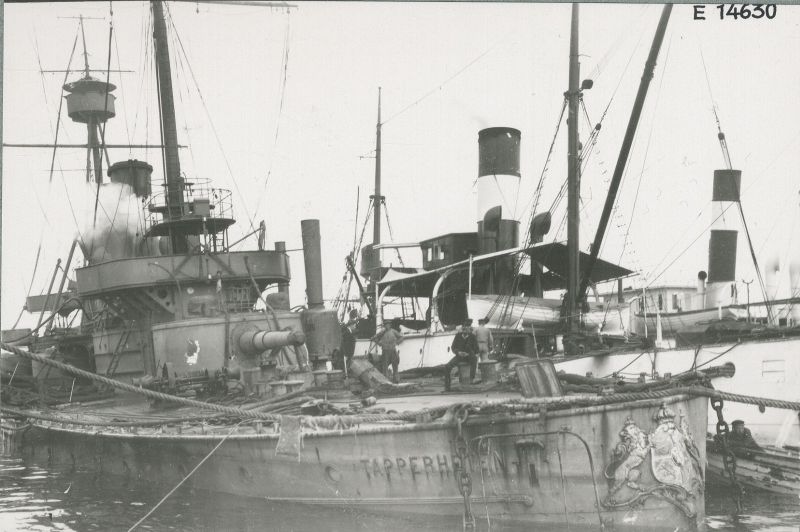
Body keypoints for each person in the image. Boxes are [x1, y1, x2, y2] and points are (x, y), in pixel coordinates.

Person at [444, 319, 479, 391]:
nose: (465, 328)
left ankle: (471, 379)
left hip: (469, 356)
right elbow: (453, 347)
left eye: (467, 326)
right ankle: (447, 386)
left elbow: (477, 349)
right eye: (464, 326)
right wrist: (458, 352)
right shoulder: (458, 336)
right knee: (447, 366)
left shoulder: (472, 337)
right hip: (459, 356)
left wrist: (468, 353)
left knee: (474, 360)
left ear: (470, 328)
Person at [370, 319, 404, 383]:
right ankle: (386, 381)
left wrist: (397, 342)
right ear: (384, 326)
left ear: (390, 325)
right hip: (385, 352)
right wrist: (378, 342)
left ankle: (396, 380)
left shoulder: (394, 331)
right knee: (385, 366)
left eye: (388, 325)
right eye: (385, 325)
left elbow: (401, 337)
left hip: (393, 351)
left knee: (395, 366)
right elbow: (375, 337)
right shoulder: (382, 332)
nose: (387, 326)